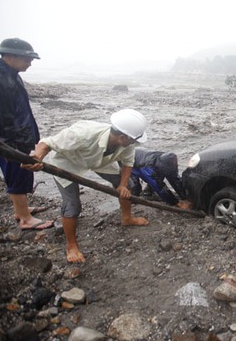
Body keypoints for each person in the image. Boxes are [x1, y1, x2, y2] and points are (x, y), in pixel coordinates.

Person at [30, 109, 150, 263]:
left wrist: (123, 185)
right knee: (72, 205)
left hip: (99, 162)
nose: (135, 142)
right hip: (67, 163)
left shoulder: (127, 142)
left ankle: (127, 218)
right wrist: (38, 157)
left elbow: (127, 163)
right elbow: (47, 142)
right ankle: (71, 246)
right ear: (122, 137)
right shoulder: (83, 133)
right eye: (134, 140)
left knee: (129, 184)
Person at [0, 38, 53, 231]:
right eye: (26, 59)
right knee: (15, 174)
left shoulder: (10, 74)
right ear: (9, 56)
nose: (30, 63)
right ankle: (24, 218)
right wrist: (7, 147)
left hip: (19, 136)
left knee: (23, 173)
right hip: (8, 140)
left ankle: (22, 209)